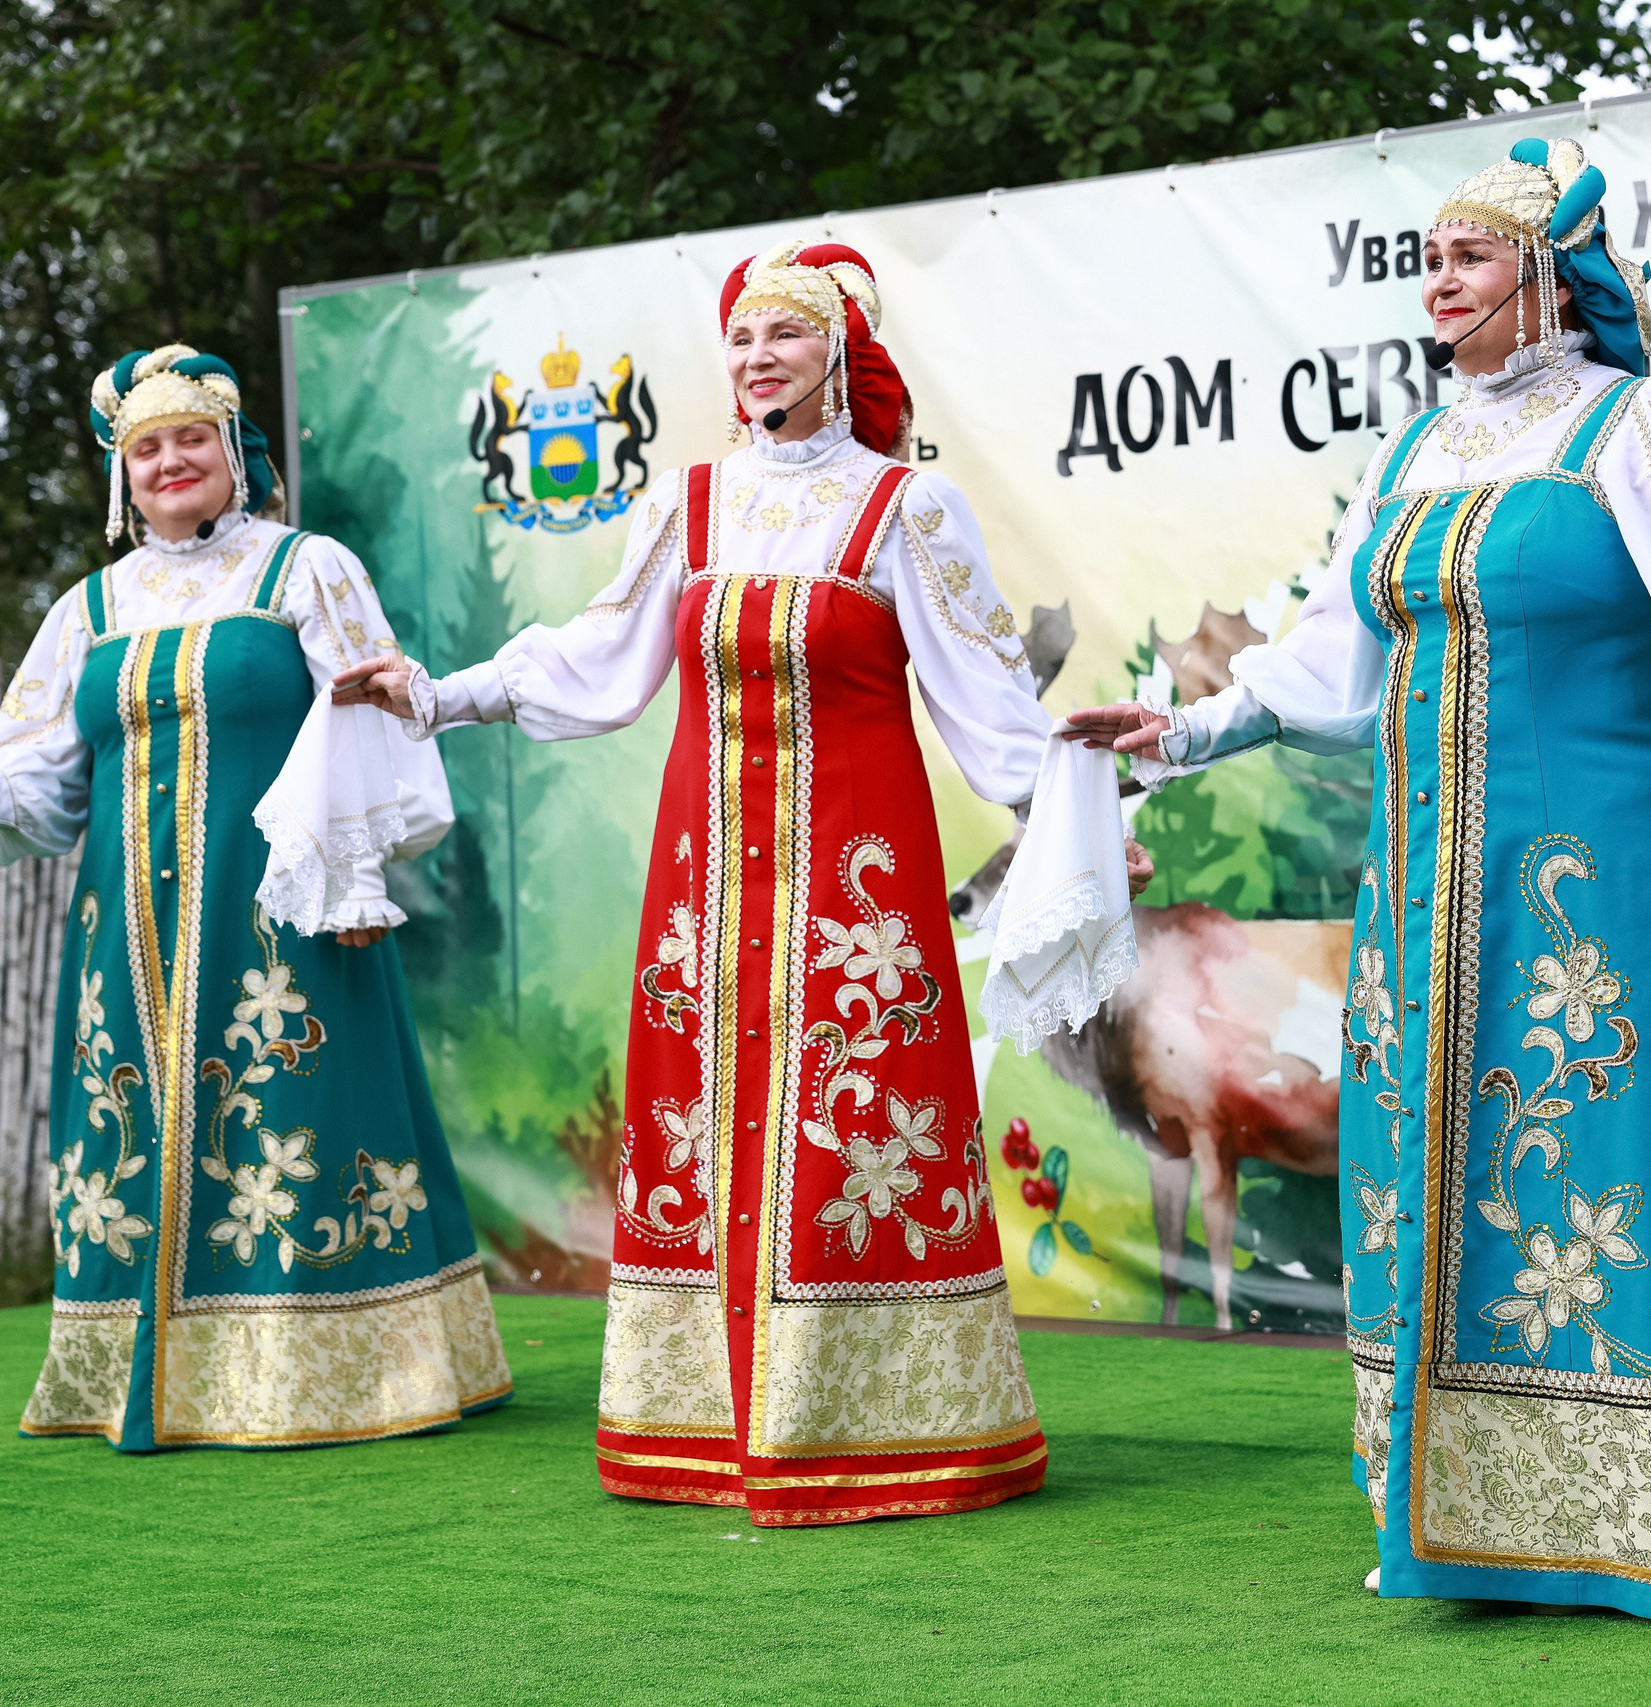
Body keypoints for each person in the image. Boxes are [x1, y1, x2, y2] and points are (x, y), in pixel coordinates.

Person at [1066, 140, 1651, 1618]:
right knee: (1431, 1157)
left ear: (1551, 279)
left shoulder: (1641, 419)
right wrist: (1181, 730)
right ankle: (1470, 1501)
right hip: (1432, 878)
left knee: (1625, 1152)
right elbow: (1332, 656)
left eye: (1473, 255)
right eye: (1428, 258)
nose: (1440, 279)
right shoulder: (1418, 447)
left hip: (1615, 865)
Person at [336, 240, 1147, 1525]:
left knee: (860, 1120)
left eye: (785, 335)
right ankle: (703, 1425)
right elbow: (599, 653)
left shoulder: (903, 509)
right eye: (743, 337)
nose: (758, 357)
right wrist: (437, 695)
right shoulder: (693, 503)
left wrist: (1081, 819)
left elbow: (989, 704)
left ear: (839, 353)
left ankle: (884, 1426)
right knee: (700, 1120)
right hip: (704, 885)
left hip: (853, 890)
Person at [0, 345, 512, 1450]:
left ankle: (342, 1375)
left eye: (191, 439)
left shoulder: (307, 569)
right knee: (132, 1127)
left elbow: (373, 712)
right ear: (122, 475)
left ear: (234, 454)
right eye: (147, 447)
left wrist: (357, 877)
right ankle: (138, 1374)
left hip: (285, 913)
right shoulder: (91, 605)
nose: (171, 461)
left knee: (299, 1122)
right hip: (124, 929)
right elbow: (40, 767)